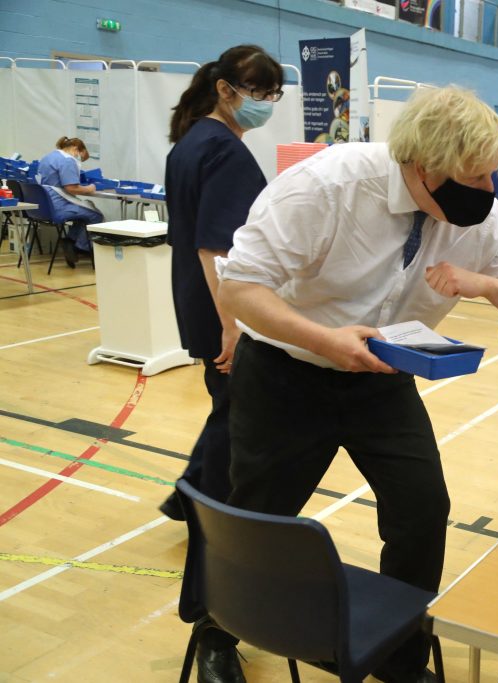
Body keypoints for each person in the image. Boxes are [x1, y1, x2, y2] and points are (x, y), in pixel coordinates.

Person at [216, 85, 498, 683]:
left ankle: (396, 653)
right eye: (475, 177)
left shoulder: (479, 217)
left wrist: (487, 286)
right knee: (258, 515)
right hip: (286, 374)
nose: (488, 192)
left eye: (491, 177)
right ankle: (217, 632)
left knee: (422, 509)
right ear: (423, 165)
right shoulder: (327, 186)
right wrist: (326, 340)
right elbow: (241, 288)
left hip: (383, 379)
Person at [164, 44, 284, 683]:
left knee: (226, 423)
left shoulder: (188, 145)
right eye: (259, 90)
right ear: (225, 89)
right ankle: (214, 607)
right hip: (222, 316)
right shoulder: (223, 152)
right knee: (235, 452)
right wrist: (234, 327)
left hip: (200, 309)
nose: (267, 103)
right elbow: (219, 251)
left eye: (275, 93)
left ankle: (188, 500)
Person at [36, 136, 103, 267]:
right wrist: (90, 188)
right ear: (76, 149)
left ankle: (70, 242)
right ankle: (81, 247)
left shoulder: (49, 157)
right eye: (81, 156)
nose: (79, 159)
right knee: (96, 215)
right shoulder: (67, 161)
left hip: (45, 205)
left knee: (82, 215)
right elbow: (72, 188)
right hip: (58, 205)